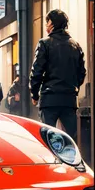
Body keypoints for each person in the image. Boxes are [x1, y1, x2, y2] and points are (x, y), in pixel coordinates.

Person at [29, 9, 86, 139]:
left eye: (47, 22)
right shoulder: (75, 45)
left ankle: (50, 159)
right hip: (69, 100)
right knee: (70, 139)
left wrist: (34, 94)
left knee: (47, 138)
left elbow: (37, 71)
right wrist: (73, 88)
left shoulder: (44, 43)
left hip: (49, 99)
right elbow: (82, 72)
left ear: (52, 23)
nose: (46, 25)